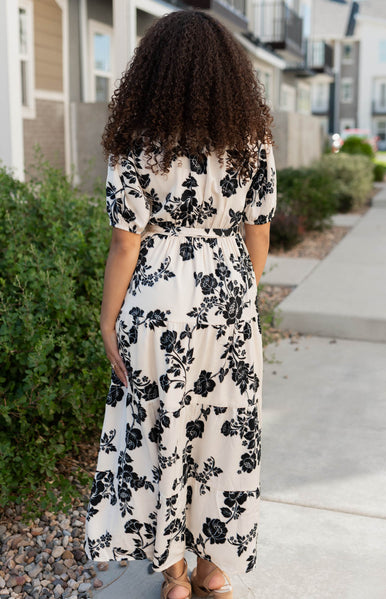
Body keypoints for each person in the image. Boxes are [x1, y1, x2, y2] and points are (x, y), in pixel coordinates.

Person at [84, 9, 276, 599]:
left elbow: (125, 241)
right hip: (227, 291)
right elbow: (259, 234)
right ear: (229, 73)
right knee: (225, 428)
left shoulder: (138, 142)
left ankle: (174, 576)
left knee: (161, 429)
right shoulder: (252, 141)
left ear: (152, 70)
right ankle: (215, 570)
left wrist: (108, 316)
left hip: (158, 296)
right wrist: (239, 294)